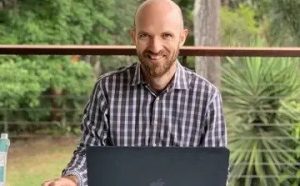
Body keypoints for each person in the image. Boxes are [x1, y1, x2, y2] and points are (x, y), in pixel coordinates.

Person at [42, 0, 227, 185]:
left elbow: (215, 172)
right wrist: (71, 180)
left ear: (182, 37)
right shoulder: (107, 89)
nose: (155, 47)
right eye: (145, 35)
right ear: (134, 37)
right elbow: (89, 153)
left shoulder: (207, 97)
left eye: (166, 36)